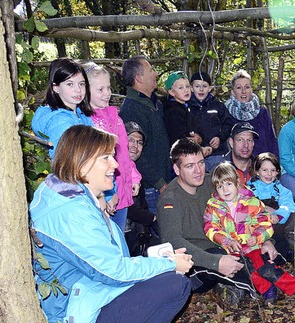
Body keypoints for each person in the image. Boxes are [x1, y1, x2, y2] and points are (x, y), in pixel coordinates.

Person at [29, 125, 192, 323]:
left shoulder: (71, 194)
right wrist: (169, 264)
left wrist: (98, 202)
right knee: (175, 284)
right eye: (106, 157)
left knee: (163, 276)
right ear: (82, 165)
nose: (115, 164)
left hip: (83, 299)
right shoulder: (71, 213)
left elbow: (107, 259)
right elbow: (113, 271)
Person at [157, 139, 279, 304]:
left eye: (200, 163)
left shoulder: (211, 182)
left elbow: (249, 204)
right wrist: (216, 262)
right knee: (231, 260)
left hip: (228, 242)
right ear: (177, 169)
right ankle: (254, 283)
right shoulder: (170, 199)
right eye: (189, 166)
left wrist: (265, 240)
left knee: (277, 244)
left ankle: (240, 282)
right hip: (199, 258)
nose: (198, 170)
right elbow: (172, 240)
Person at [204, 162, 295, 304]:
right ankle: (268, 290)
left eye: (228, 184)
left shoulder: (252, 203)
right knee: (250, 272)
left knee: (267, 269)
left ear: (237, 183)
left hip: (252, 247)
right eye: (220, 186)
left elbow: (265, 224)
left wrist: (257, 237)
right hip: (233, 250)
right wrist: (227, 241)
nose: (225, 189)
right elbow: (210, 228)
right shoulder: (213, 207)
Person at [84, 62, 140, 232]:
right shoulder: (87, 121)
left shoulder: (116, 119)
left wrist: (134, 176)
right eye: (100, 89)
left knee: (119, 238)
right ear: (86, 91)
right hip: (104, 194)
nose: (107, 93)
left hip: (121, 194)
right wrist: (106, 194)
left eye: (108, 88)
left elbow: (123, 155)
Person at [119, 56, 172, 215]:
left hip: (165, 181)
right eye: (151, 71)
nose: (155, 74)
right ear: (138, 78)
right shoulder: (131, 110)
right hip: (151, 188)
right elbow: (133, 153)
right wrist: (160, 183)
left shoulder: (155, 104)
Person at [32, 58, 94, 159]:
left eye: (81, 84)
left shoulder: (80, 113)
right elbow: (65, 159)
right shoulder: (59, 122)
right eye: (70, 84)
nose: (78, 90)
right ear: (56, 88)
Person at [247, 152, 295, 261]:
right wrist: (265, 211)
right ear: (257, 171)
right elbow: (244, 206)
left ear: (278, 172)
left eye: (273, 170)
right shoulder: (248, 189)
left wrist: (278, 215)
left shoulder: (280, 189)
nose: (269, 174)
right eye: (264, 170)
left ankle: (281, 254)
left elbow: (288, 205)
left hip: (275, 226)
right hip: (255, 226)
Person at [124, 122, 160, 256]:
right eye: (130, 140)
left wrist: (143, 234)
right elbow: (125, 207)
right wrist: (152, 219)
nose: (135, 146)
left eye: (139, 142)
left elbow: (140, 204)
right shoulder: (113, 170)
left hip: (133, 233)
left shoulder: (135, 173)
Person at [188, 71, 235, 172]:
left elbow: (228, 123)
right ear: (191, 88)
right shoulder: (186, 107)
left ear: (210, 88)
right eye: (197, 86)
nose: (201, 89)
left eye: (204, 86)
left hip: (217, 154)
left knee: (221, 180)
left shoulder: (218, 105)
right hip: (194, 155)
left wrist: (220, 137)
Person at [225, 70, 278, 156]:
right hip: (235, 164)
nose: (243, 91)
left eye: (247, 87)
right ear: (232, 92)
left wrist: (274, 163)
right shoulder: (225, 112)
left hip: (262, 163)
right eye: (239, 87)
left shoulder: (262, 112)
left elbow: (272, 140)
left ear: (251, 90)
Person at [163, 71, 205, 152]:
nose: (186, 90)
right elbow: (177, 137)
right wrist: (193, 142)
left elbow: (198, 129)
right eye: (180, 88)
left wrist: (199, 138)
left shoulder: (188, 107)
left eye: (187, 86)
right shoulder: (173, 111)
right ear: (172, 92)